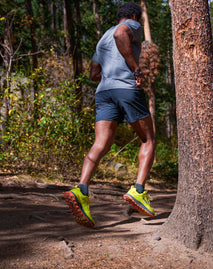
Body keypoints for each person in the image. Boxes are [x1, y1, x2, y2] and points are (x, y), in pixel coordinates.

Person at [64, 2, 156, 228]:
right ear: (134, 15)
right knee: (148, 139)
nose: (140, 24)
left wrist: (111, 73)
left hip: (104, 92)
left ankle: (82, 189)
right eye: (139, 20)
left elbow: (94, 72)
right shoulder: (129, 25)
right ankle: (139, 191)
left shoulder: (103, 37)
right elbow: (120, 32)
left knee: (101, 143)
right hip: (127, 89)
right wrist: (135, 69)